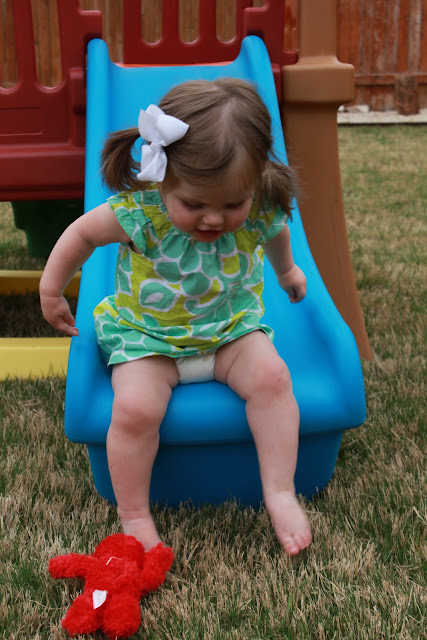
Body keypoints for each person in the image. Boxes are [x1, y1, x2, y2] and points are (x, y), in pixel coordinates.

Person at [40, 78, 312, 556]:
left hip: (229, 332)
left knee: (273, 381)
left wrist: (287, 271)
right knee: (134, 410)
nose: (214, 219)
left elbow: (277, 235)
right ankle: (134, 515)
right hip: (147, 339)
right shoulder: (141, 214)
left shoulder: (257, 210)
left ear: (255, 183)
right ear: (163, 177)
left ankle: (280, 491)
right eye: (194, 204)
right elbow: (82, 235)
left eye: (232, 204)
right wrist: (51, 288)